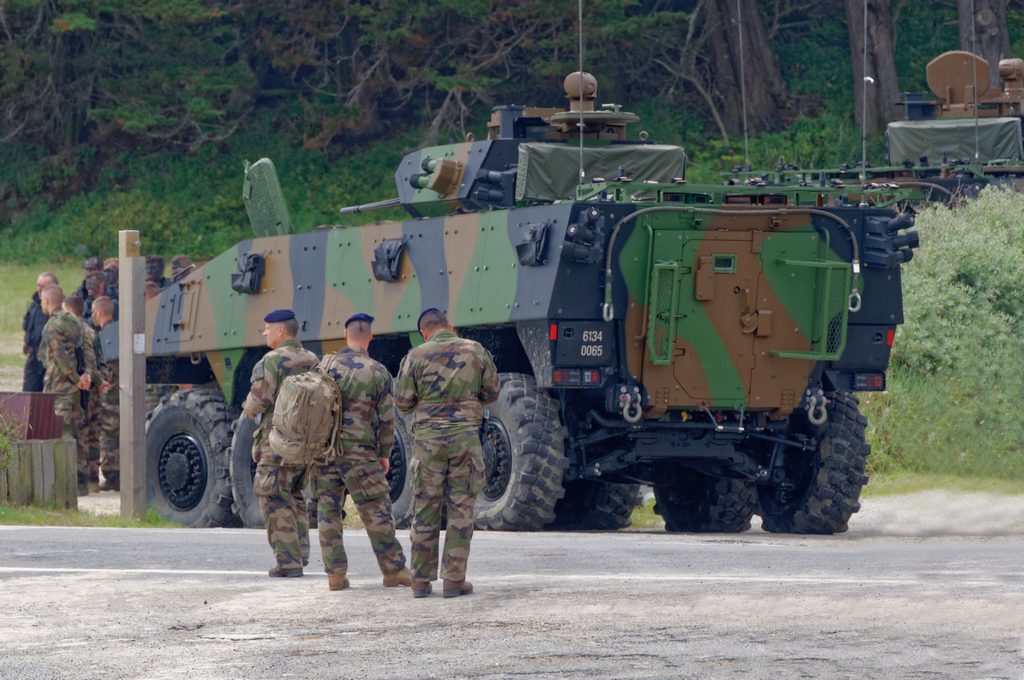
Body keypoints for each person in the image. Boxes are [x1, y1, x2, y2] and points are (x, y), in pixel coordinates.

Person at [394, 308, 500, 598]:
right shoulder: (476, 350)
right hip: (466, 441)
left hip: (428, 444)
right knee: (461, 510)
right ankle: (454, 581)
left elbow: (402, 403)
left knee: (425, 509)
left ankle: (420, 581)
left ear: (424, 332)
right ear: (450, 327)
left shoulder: (415, 355)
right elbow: (492, 392)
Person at [313, 313, 411, 591]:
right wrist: (384, 453)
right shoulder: (378, 371)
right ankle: (393, 570)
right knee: (376, 509)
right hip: (360, 453)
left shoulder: (324, 366)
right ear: (370, 337)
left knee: (328, 511)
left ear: (345, 335)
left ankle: (335, 575)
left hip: (324, 451)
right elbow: (386, 420)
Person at [242, 310, 319, 577]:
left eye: (267, 328)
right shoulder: (312, 359)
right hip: (306, 443)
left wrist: (248, 407)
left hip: (277, 443)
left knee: (272, 496)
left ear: (280, 332)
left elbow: (256, 404)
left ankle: (288, 561)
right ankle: (301, 555)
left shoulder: (271, 360)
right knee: (295, 495)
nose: (264, 333)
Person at [39, 285, 95, 496]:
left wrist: (75, 378)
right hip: (74, 387)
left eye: (43, 300)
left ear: (47, 301)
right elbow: (84, 349)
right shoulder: (74, 320)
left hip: (60, 386)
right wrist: (84, 375)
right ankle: (81, 481)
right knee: (77, 431)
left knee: (61, 433)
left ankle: (66, 483)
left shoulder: (53, 324)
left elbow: (60, 356)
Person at [62, 295, 108, 491]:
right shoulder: (91, 331)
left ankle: (82, 477)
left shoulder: (73, 331)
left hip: (81, 385)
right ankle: (92, 479)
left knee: (81, 431)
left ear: (71, 311)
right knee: (93, 433)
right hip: (93, 384)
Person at [89, 296, 120, 491]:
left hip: (110, 393)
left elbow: (106, 366)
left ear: (99, 313)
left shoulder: (103, 336)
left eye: (93, 312)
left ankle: (112, 475)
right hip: (121, 391)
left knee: (110, 434)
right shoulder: (119, 332)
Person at [22, 271, 58, 392]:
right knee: (28, 394)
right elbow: (28, 327)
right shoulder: (34, 304)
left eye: (44, 286)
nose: (40, 289)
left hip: (51, 359)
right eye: (38, 285)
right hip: (34, 357)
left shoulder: (60, 307)